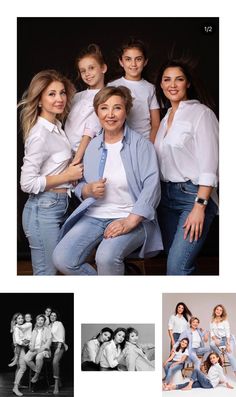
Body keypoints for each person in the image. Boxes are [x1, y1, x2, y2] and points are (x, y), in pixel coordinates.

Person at [53, 86, 162, 275]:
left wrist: (130, 221)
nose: (110, 114)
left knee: (106, 257)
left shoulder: (141, 146)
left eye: (117, 108)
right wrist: (87, 190)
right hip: (94, 216)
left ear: (126, 111)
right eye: (104, 108)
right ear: (97, 112)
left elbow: (152, 188)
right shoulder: (92, 146)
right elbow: (80, 185)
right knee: (62, 259)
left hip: (131, 217)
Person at [154, 58, 219, 275]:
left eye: (178, 79)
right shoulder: (165, 119)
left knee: (177, 268)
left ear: (187, 83)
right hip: (165, 199)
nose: (172, 85)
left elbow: (210, 164)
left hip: (192, 197)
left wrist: (200, 206)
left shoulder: (202, 113)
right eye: (167, 80)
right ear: (161, 85)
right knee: (181, 264)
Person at [19, 69, 84, 275]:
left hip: (57, 205)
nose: (59, 99)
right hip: (43, 209)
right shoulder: (40, 134)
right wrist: (67, 176)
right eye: (51, 94)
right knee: (47, 275)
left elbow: (54, 166)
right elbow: (26, 183)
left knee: (57, 270)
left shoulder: (56, 125)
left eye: (62, 93)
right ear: (39, 100)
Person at [108, 38, 160, 142]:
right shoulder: (112, 86)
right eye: (128, 59)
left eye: (138, 59)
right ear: (121, 62)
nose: (133, 64)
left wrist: (150, 145)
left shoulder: (150, 88)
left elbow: (155, 124)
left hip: (144, 140)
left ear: (145, 62)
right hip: (119, 141)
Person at [65, 44, 107, 163]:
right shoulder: (77, 96)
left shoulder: (105, 97)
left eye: (91, 68)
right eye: (83, 71)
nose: (87, 73)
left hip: (84, 157)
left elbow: (89, 132)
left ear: (103, 68)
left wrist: (76, 161)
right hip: (67, 155)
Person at [165, 352, 234, 391]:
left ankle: (189, 386)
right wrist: (219, 381)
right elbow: (215, 376)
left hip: (208, 384)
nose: (212, 359)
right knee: (190, 383)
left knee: (196, 370)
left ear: (218, 358)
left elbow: (222, 375)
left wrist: (227, 384)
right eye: (211, 358)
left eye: (214, 358)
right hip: (207, 383)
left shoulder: (218, 367)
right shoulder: (213, 366)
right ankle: (172, 387)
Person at [24, 314, 52, 384]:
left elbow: (49, 342)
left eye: (42, 320)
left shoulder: (47, 330)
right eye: (38, 320)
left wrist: (42, 349)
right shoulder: (34, 330)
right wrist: (30, 346)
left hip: (44, 349)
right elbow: (31, 341)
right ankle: (38, 371)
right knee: (26, 358)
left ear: (44, 322)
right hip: (34, 349)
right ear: (36, 321)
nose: (40, 321)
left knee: (38, 357)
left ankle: (36, 376)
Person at [209, 304, 236, 375]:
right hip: (219, 340)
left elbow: (228, 333)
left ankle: (235, 371)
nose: (218, 311)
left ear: (222, 312)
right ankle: (220, 354)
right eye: (217, 309)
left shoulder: (225, 321)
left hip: (228, 339)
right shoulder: (212, 322)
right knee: (212, 344)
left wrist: (228, 344)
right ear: (215, 310)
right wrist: (215, 339)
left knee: (229, 355)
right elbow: (212, 333)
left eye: (220, 310)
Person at [49, 310, 68, 394]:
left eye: (54, 315)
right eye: (51, 315)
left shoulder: (59, 324)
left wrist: (59, 347)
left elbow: (62, 336)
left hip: (59, 345)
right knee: (54, 363)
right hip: (51, 346)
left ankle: (56, 385)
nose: (52, 317)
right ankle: (59, 382)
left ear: (56, 317)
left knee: (55, 363)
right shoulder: (49, 325)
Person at [11, 313, 30, 396]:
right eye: (19, 318)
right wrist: (25, 343)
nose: (21, 319)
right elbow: (18, 341)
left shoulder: (19, 328)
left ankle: (18, 384)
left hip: (20, 348)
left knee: (19, 367)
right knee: (23, 367)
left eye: (22, 318)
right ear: (15, 320)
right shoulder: (16, 328)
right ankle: (15, 387)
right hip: (19, 348)